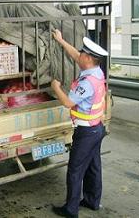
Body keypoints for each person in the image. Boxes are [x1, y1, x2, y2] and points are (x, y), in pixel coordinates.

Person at [50, 29, 108, 218]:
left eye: (83, 54)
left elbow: (68, 102)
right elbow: (74, 54)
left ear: (89, 59)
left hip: (86, 132)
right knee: (93, 166)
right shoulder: (96, 71)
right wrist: (60, 40)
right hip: (97, 128)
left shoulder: (88, 82)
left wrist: (56, 87)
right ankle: (92, 201)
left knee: (75, 170)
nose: (79, 55)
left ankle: (71, 209)